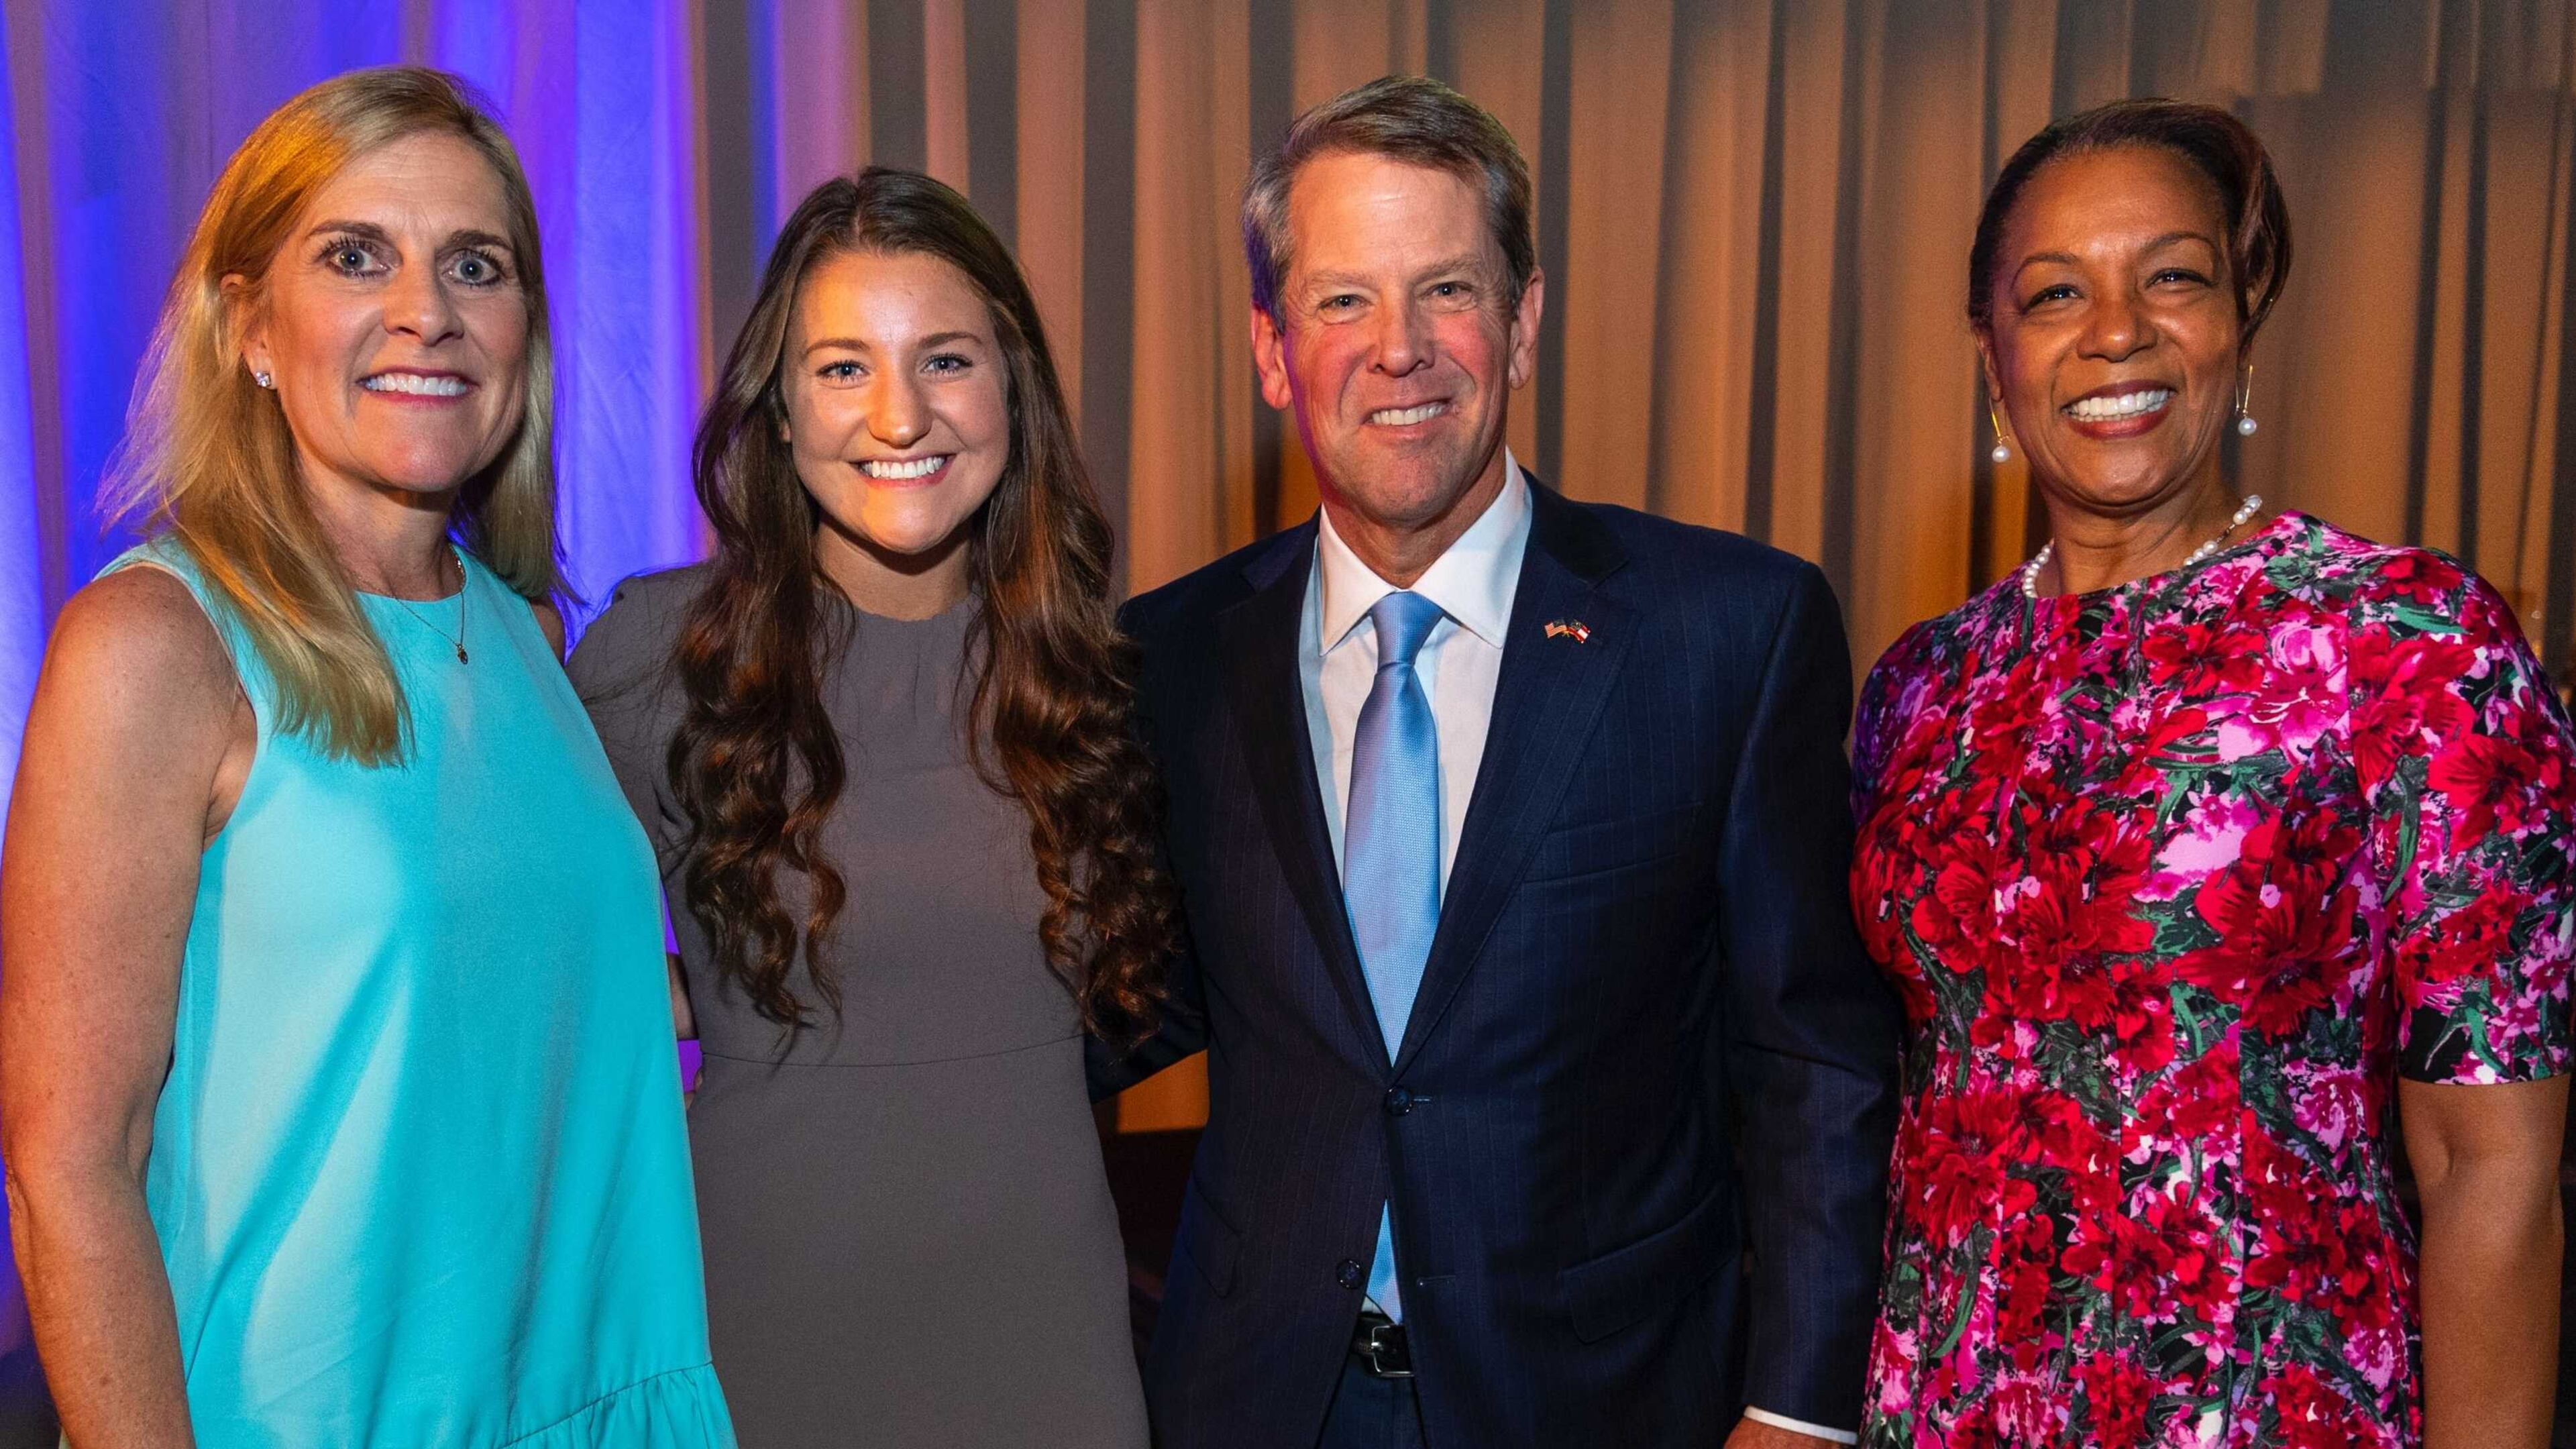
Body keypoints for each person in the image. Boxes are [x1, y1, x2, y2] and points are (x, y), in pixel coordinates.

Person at [1093, 75, 1901, 1449]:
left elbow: (1812, 1059)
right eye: (1344, 300)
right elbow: (1113, 1005)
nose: (1399, 349)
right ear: (1273, 351)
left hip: (1604, 1402)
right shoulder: (1169, 661)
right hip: (1259, 1399)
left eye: (1446, 291)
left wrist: (1799, 1411)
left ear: (1522, 323)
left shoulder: (1725, 634)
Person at [0, 66, 731, 1448]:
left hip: (597, 1398)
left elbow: (504, 989)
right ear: (251, 329)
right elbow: (69, 1172)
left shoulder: (520, 632)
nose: (427, 312)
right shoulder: (157, 643)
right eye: (356, 256)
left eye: (476, 263)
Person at [1851, 99, 2575, 1448]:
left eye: (2171, 276)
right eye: (2055, 292)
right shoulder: (1920, 687)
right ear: (1993, 360)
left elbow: (2495, 1174)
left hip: (2260, 1411)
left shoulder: (2408, 648)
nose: (2115, 330)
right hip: (1943, 1405)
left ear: (2241, 327)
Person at [568, 166, 1174, 1448]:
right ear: (777, 413)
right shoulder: (654, 660)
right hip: (764, 1337)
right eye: (843, 367)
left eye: (945, 359)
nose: (900, 413)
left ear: (1013, 391)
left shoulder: (1098, 679)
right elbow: (536, 969)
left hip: (1051, 1343)